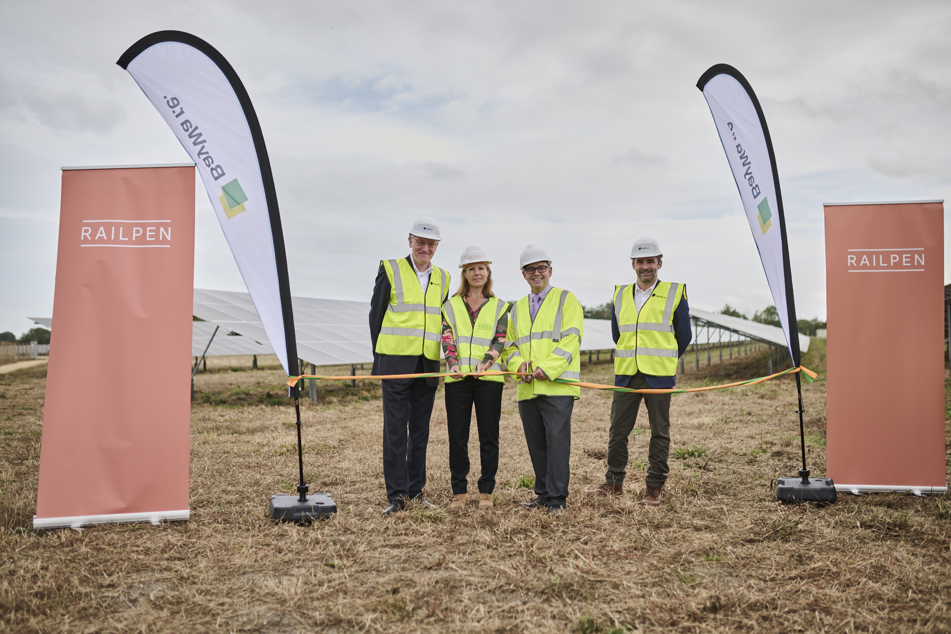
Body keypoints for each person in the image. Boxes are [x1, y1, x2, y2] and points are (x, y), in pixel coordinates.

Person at [585, 237, 691, 506]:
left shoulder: (675, 292)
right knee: (618, 431)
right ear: (633, 264)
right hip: (627, 373)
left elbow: (684, 336)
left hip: (658, 374)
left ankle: (654, 488)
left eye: (650, 261)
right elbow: (616, 333)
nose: (646, 266)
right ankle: (613, 482)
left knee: (659, 432)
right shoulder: (620, 294)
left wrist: (664, 359)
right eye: (640, 261)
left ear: (660, 263)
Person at [369, 218, 451, 515]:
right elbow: (375, 316)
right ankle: (396, 496)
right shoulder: (390, 269)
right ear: (410, 241)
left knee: (420, 432)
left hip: (427, 364)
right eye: (421, 242)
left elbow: (443, 321)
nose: (425, 248)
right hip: (395, 362)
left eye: (431, 244)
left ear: (436, 248)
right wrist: (381, 357)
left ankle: (416, 492)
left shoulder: (444, 277)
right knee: (395, 432)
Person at [503, 244, 583, 516]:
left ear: (550, 270)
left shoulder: (566, 299)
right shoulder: (518, 307)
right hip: (528, 387)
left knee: (557, 443)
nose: (536, 273)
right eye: (530, 270)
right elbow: (510, 346)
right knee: (536, 443)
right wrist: (518, 366)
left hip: (557, 385)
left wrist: (547, 368)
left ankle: (557, 499)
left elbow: (572, 340)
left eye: (541, 268)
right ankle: (543, 493)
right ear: (523, 274)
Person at [441, 246, 510, 512]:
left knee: (488, 436)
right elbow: (447, 337)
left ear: (488, 272)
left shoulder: (500, 306)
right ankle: (459, 492)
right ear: (465, 273)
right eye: (471, 268)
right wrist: (454, 364)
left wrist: (486, 363)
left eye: (481, 268)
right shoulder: (450, 306)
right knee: (457, 437)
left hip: (488, 380)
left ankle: (486, 491)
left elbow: (500, 338)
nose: (477, 272)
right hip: (457, 379)